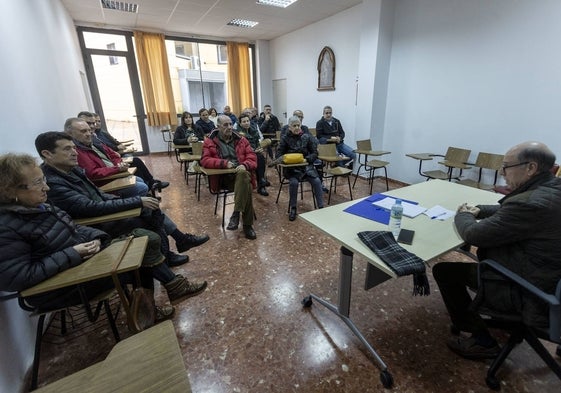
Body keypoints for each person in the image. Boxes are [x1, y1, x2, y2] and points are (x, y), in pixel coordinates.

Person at [0, 153, 207, 314]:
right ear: (10, 191)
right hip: (60, 287)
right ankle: (150, 309)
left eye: (43, 180)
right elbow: (17, 278)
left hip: (79, 262)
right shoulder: (6, 227)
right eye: (37, 183)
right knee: (138, 258)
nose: (46, 187)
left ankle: (158, 300)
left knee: (144, 240)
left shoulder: (39, 206)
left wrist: (97, 238)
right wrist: (73, 253)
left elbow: (74, 226)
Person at [433, 141, 561, 360]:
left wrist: (464, 213)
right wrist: (480, 210)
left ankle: (482, 340)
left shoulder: (530, 204)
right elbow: (508, 210)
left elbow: (473, 235)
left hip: (527, 285)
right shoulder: (551, 188)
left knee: (444, 271)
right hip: (551, 276)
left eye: (507, 166)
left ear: (530, 167)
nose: (502, 173)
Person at [35, 131, 210, 268]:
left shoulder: (71, 170)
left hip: (102, 210)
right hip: (95, 226)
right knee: (146, 208)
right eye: (67, 149)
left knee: (149, 206)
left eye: (74, 148)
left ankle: (171, 249)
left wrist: (125, 199)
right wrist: (134, 202)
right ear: (47, 154)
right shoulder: (53, 183)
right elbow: (90, 206)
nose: (74, 152)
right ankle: (170, 251)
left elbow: (98, 193)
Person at [69, 116, 169, 197]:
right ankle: (143, 202)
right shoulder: (77, 150)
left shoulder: (93, 141)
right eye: (83, 131)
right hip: (105, 181)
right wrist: (117, 169)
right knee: (141, 186)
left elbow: (113, 154)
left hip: (112, 172)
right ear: (70, 133)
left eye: (89, 129)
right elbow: (92, 173)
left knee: (139, 176)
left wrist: (119, 164)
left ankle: (148, 191)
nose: (88, 133)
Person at [201, 115, 258, 239]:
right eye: (225, 125)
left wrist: (244, 165)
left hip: (240, 175)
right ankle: (247, 226)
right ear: (218, 127)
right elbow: (205, 160)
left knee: (243, 176)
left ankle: (236, 212)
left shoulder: (242, 140)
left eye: (231, 124)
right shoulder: (209, 141)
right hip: (223, 179)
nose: (229, 127)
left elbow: (253, 157)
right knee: (246, 187)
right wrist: (224, 163)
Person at [276, 116, 324, 220]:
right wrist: (290, 159)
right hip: (291, 169)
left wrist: (307, 159)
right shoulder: (285, 138)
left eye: (298, 125)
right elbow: (278, 155)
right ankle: (293, 208)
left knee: (316, 181)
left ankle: (321, 207)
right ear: (289, 127)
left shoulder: (306, 137)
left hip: (307, 167)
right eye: (294, 126)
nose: (297, 127)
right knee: (293, 183)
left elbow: (315, 152)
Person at [237, 113, 269, 196]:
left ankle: (261, 182)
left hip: (254, 153)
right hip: (243, 155)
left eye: (248, 121)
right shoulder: (238, 134)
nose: (246, 123)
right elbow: (242, 148)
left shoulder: (253, 130)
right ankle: (261, 182)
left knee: (260, 156)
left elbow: (257, 144)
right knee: (258, 157)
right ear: (240, 123)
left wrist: (259, 149)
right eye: (244, 122)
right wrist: (254, 151)